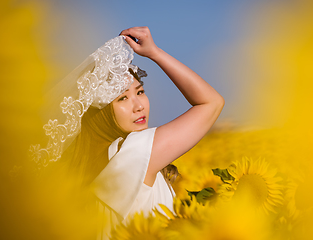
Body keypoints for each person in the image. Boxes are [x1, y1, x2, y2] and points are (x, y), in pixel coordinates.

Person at [31, 26, 224, 239]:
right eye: (122, 98)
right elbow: (211, 103)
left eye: (140, 92)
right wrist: (155, 53)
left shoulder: (93, 166)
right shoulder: (130, 153)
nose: (138, 105)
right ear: (101, 111)